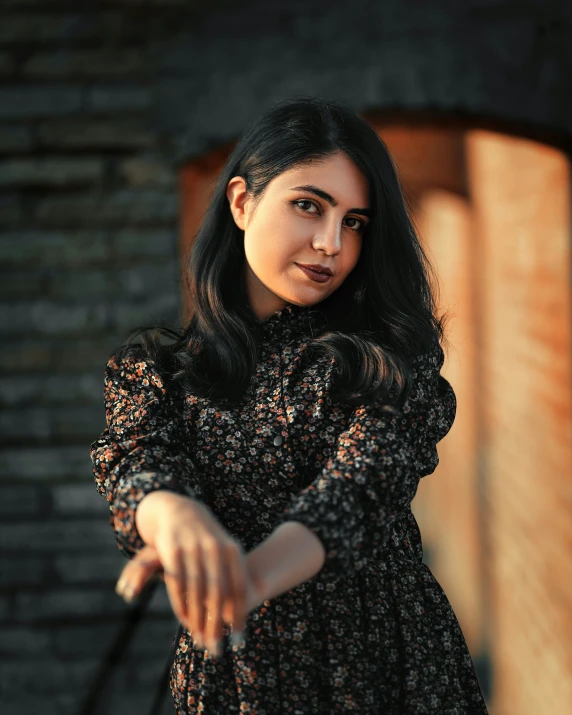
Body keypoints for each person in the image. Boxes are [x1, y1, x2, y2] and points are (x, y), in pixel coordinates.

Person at [90, 96, 489, 714]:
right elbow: (136, 459)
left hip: (388, 667)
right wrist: (172, 517)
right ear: (243, 202)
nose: (331, 243)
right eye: (309, 205)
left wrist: (252, 578)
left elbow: (360, 485)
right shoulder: (160, 373)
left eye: (355, 221)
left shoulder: (386, 359)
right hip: (236, 680)